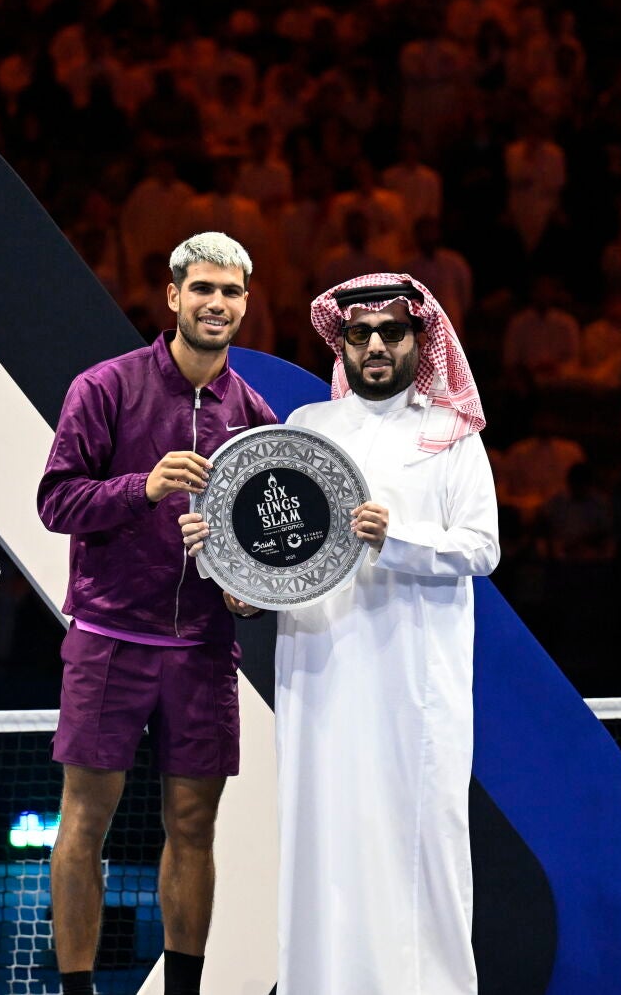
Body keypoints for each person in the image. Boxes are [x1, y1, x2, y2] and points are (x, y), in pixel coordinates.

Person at [180, 272, 498, 993]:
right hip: (320, 678)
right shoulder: (307, 429)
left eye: (392, 332)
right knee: (323, 847)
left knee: (422, 848)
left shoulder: (451, 435)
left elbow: (482, 547)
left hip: (415, 686)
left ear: (419, 339)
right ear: (342, 344)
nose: (376, 346)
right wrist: (238, 582)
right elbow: (281, 555)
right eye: (361, 334)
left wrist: (397, 538)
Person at [38, 232, 277, 995]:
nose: (216, 303)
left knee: (195, 826)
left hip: (204, 647)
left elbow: (266, 548)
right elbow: (55, 501)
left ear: (245, 303)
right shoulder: (105, 388)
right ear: (173, 296)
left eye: (230, 291)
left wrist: (249, 592)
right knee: (84, 823)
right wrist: (140, 486)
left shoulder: (255, 415)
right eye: (202, 288)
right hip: (110, 639)